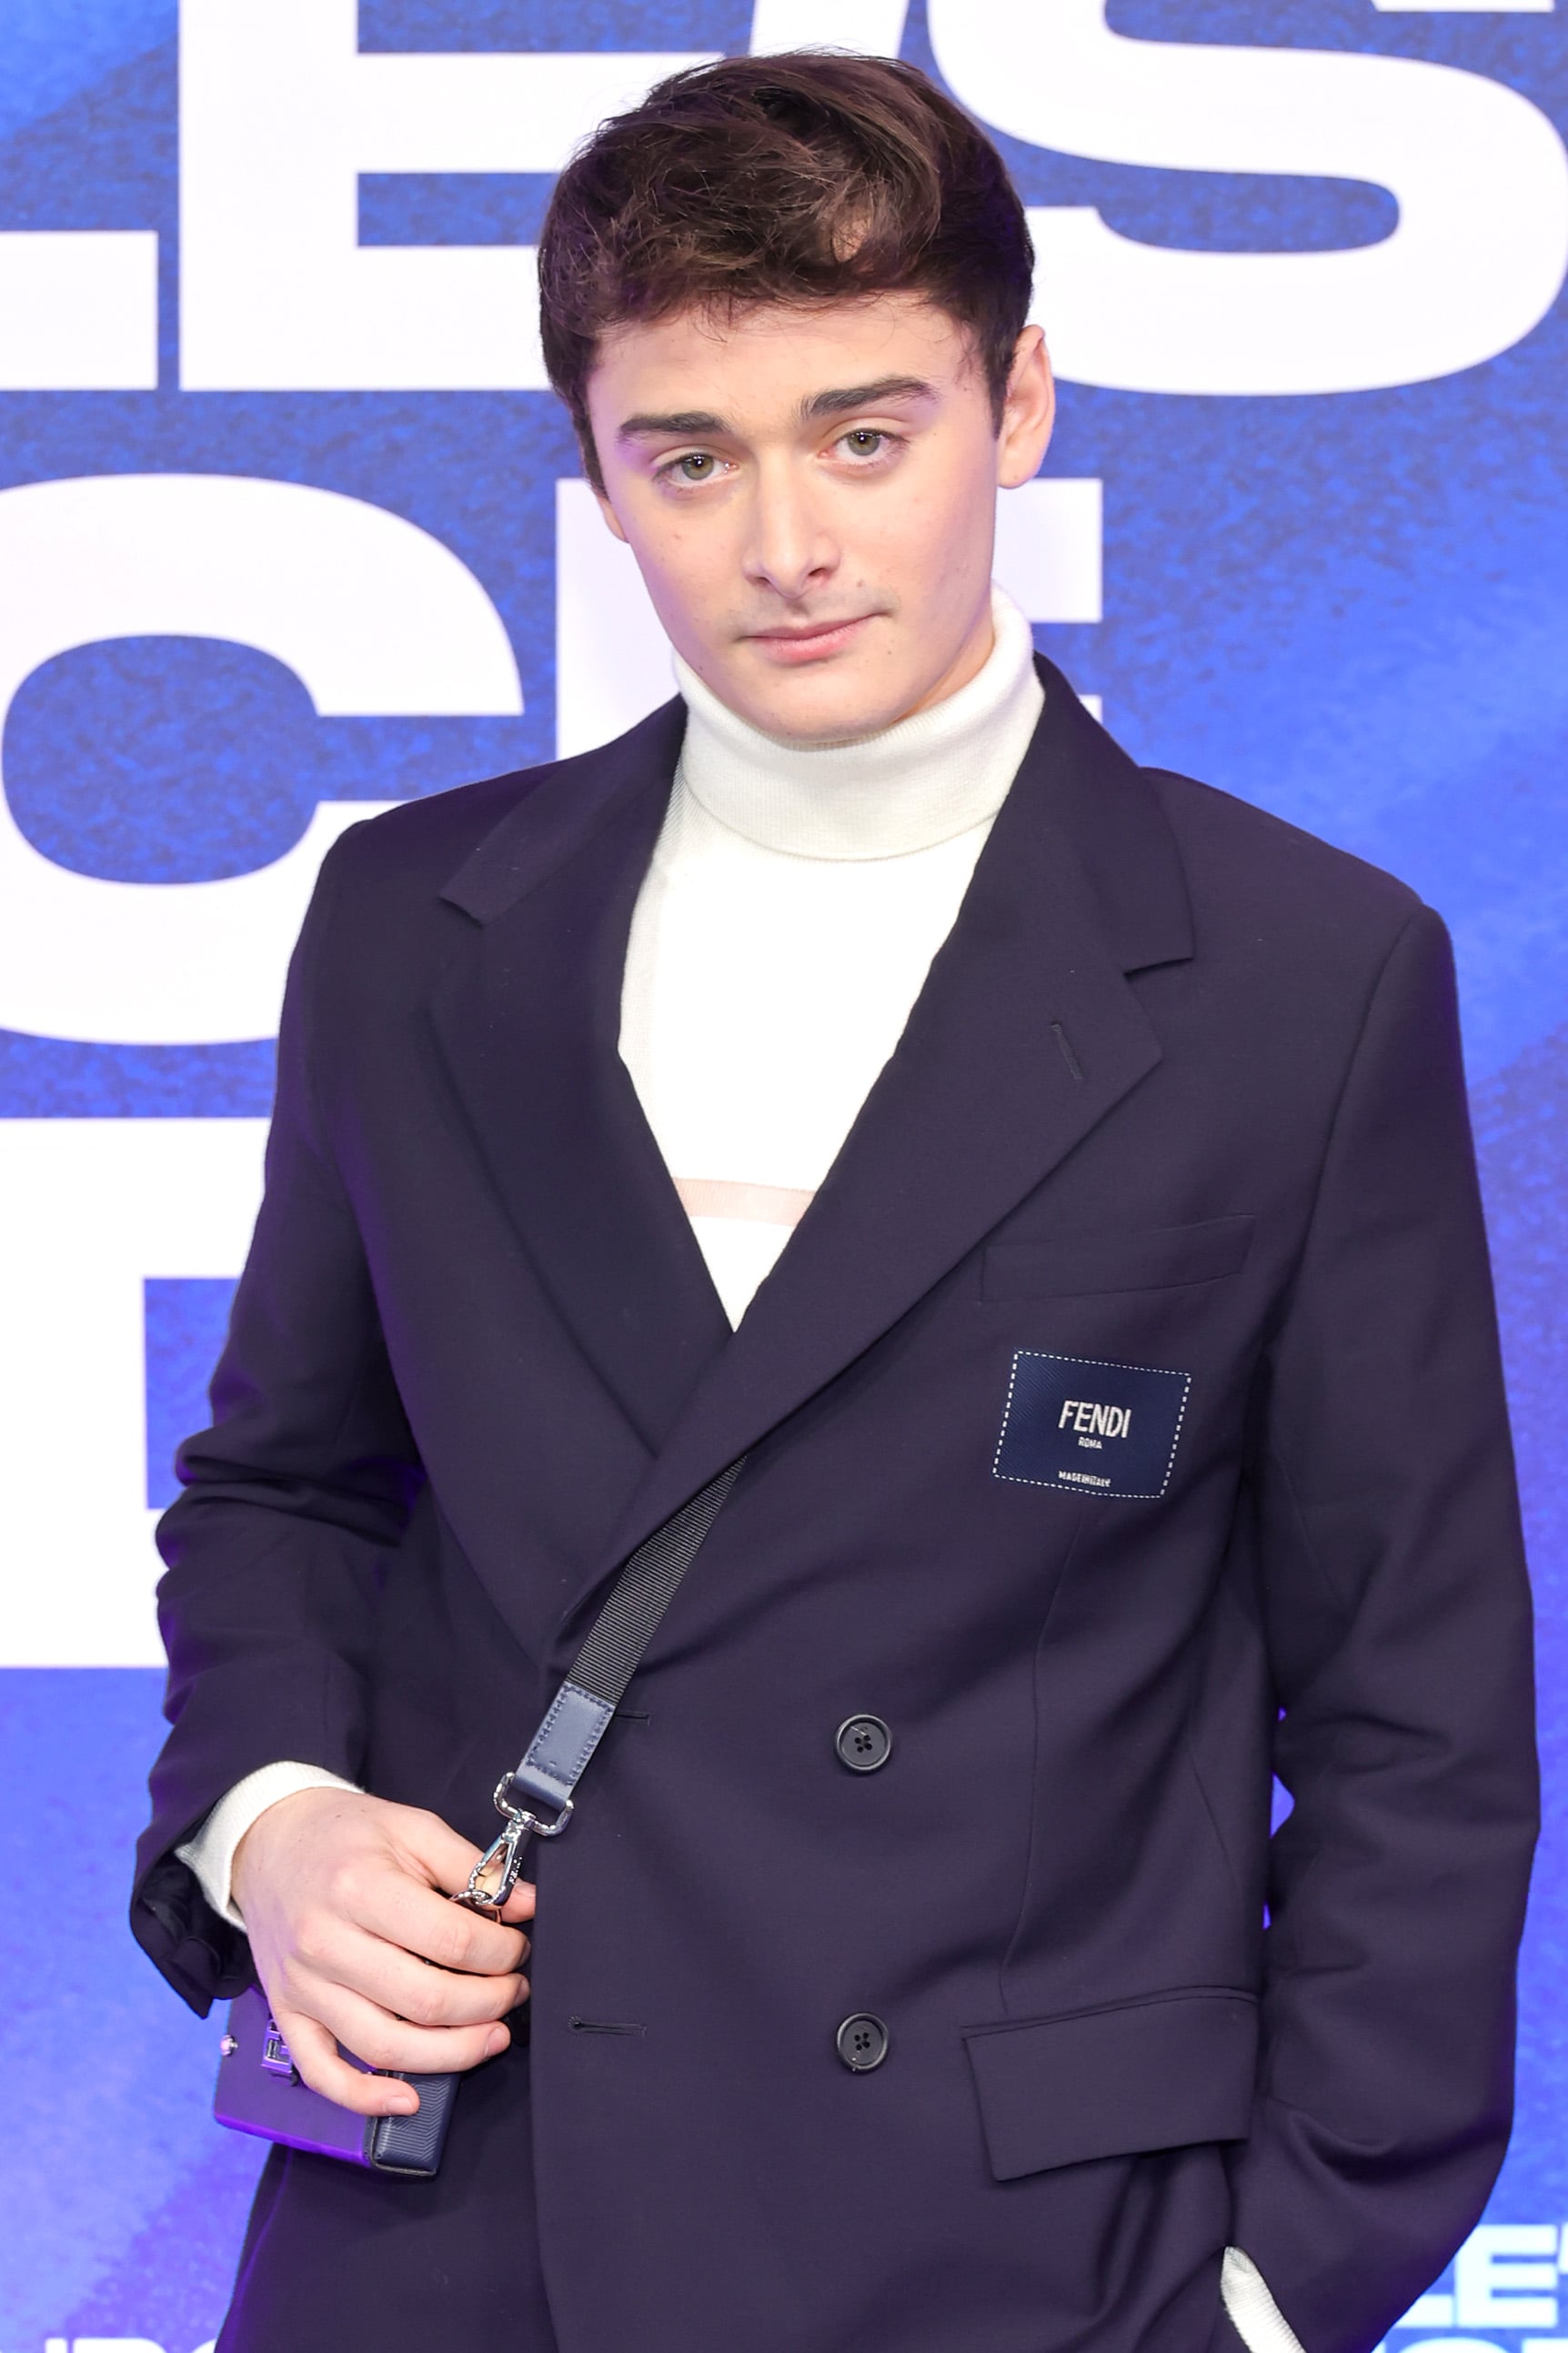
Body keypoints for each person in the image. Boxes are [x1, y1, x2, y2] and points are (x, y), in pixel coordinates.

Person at [131, 50, 1536, 2353]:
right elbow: (287, 1481)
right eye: (691, 457)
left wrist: (1281, 2292)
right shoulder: (418, 921)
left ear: (1020, 403)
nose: (784, 542)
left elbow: (1415, 1707)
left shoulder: (1303, 968)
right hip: (469, 2220)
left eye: (862, 434)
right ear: (596, 470)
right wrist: (272, 1821)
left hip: (1026, 2261)